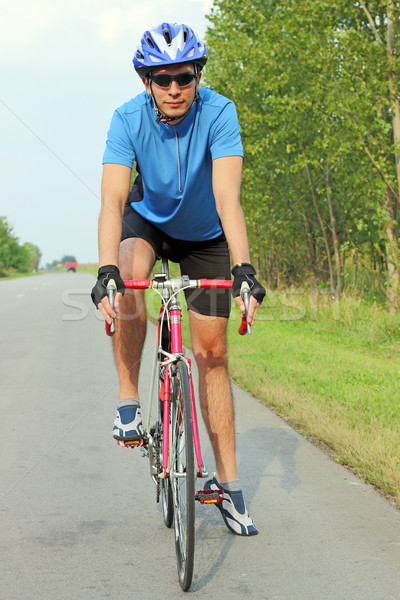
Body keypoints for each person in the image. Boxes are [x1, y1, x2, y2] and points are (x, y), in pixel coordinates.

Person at [91, 22, 265, 536]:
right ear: (147, 80)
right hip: (147, 223)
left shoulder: (220, 112)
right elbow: (112, 201)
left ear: (197, 76)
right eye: (162, 79)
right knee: (127, 276)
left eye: (184, 79)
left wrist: (244, 269)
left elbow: (228, 198)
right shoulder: (126, 118)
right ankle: (128, 401)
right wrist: (104, 271)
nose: (174, 90)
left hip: (205, 234)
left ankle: (229, 488)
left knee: (211, 353)